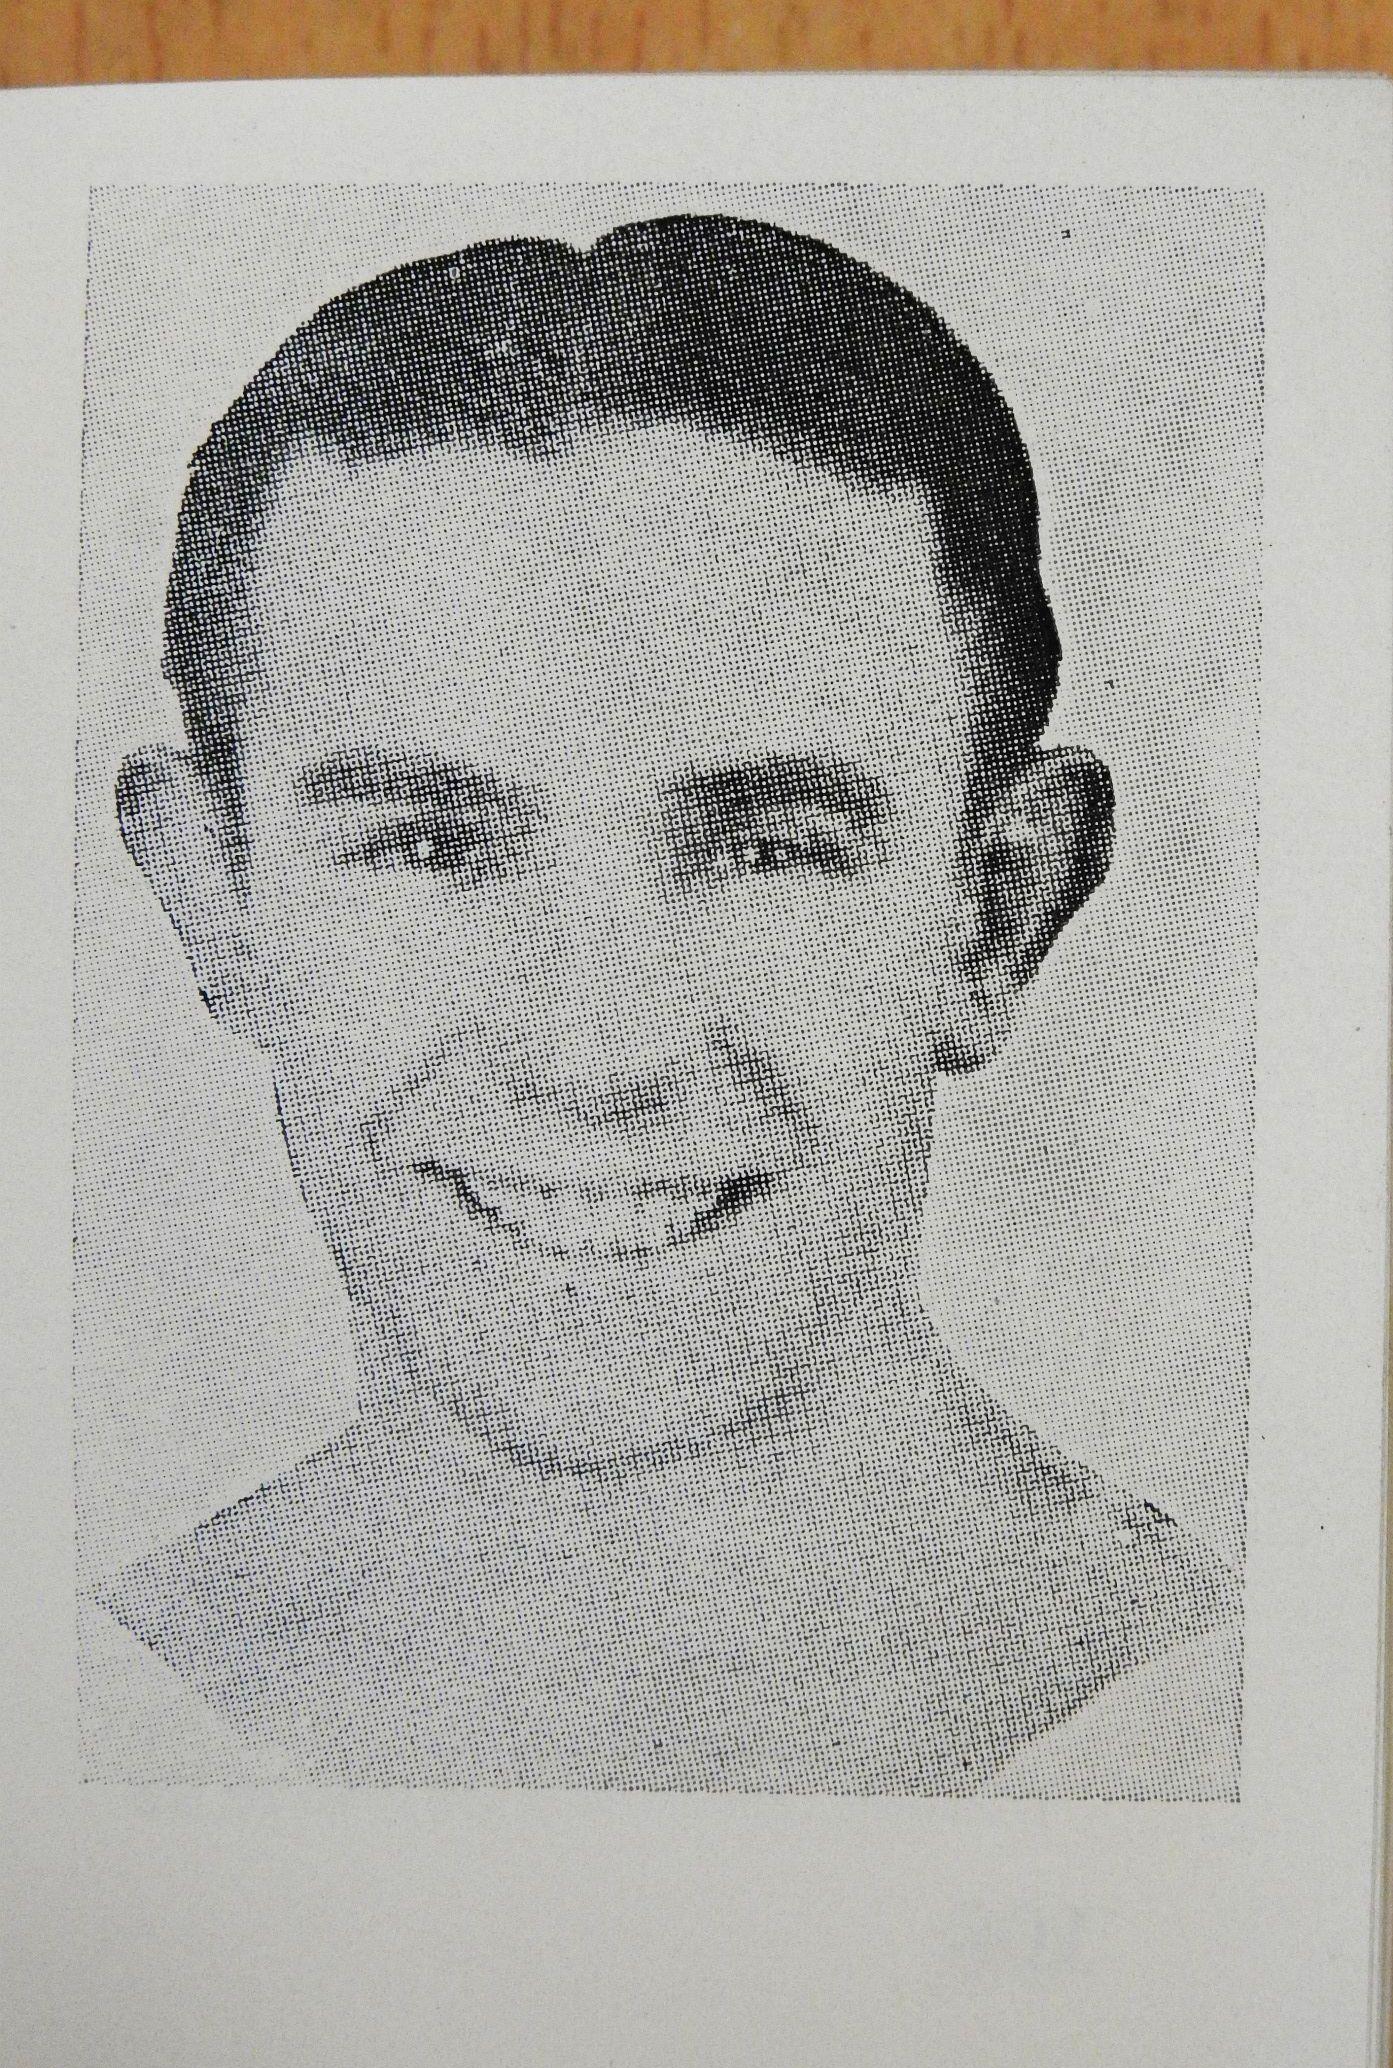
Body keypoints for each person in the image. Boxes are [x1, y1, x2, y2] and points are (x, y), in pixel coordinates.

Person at [78, 213, 1242, 1795]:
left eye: (770, 848)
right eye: (426, 845)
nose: (594, 1055)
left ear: (996, 911)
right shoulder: (88, 1729)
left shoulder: (1242, 1741)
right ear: (214, 898)